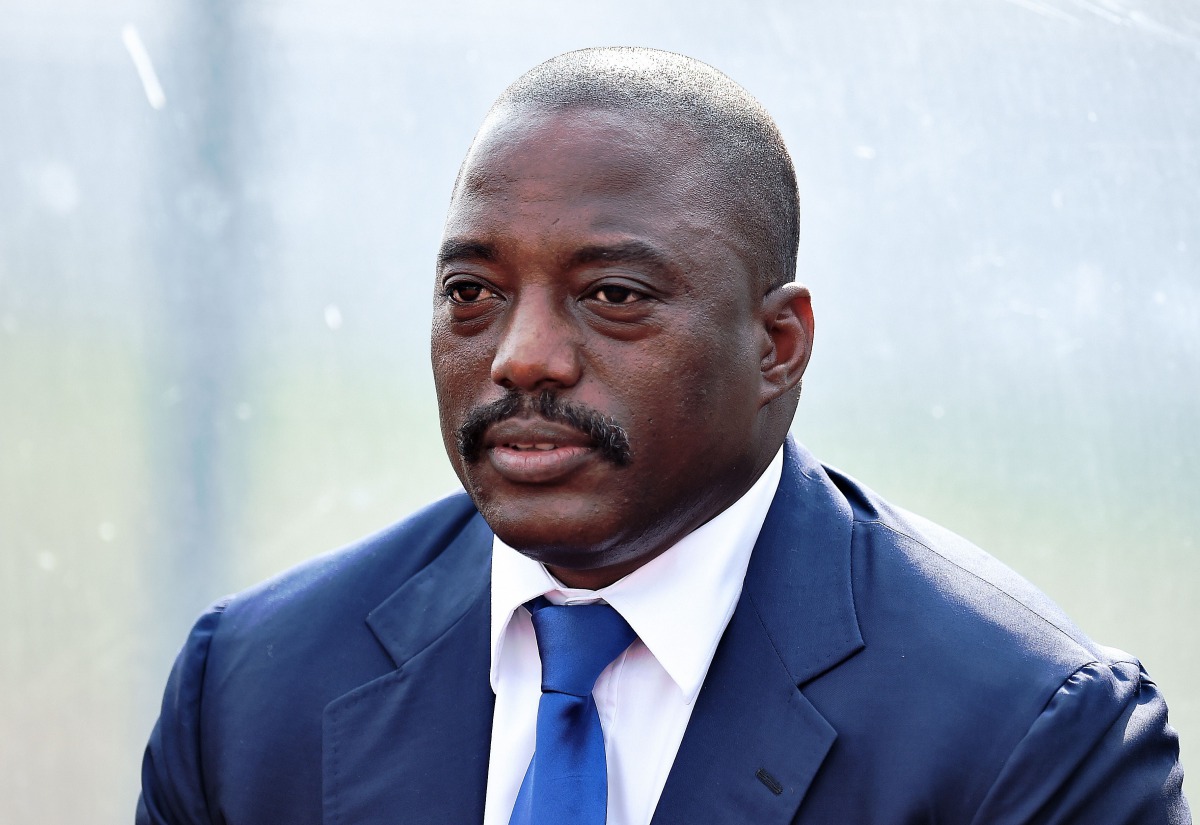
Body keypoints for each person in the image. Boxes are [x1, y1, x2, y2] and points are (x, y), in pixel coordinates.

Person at [137, 47, 1190, 824]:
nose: (523, 357)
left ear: (778, 344)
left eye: (612, 295)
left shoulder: (1025, 735)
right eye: (472, 292)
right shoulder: (251, 691)